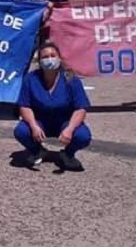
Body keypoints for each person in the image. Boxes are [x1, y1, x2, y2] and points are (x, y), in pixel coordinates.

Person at [14, 42, 92, 171]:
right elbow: (24, 106)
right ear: (39, 61)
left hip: (64, 121)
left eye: (52, 55)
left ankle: (68, 155)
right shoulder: (30, 79)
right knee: (21, 131)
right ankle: (38, 151)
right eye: (45, 57)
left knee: (83, 136)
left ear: (59, 58)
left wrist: (70, 129)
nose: (49, 59)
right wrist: (33, 126)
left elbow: (81, 108)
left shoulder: (70, 78)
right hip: (41, 121)